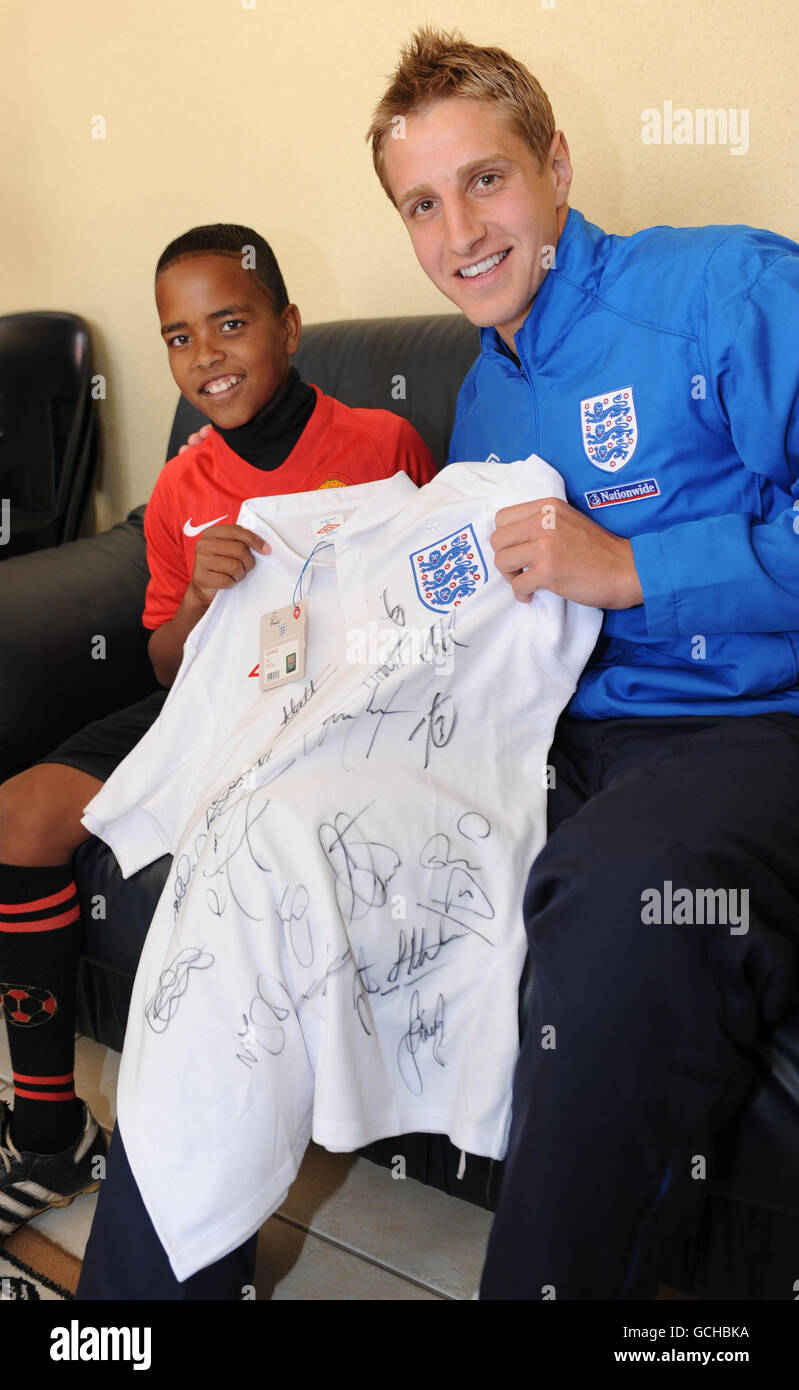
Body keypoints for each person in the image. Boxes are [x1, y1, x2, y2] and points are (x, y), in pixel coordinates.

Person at [365, 27, 799, 1299]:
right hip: (562, 739)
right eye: (422, 206)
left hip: (749, 729)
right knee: (313, 828)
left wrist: (638, 567)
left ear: (554, 166)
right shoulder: (484, 397)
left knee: (619, 897)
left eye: (486, 180)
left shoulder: (728, 289)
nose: (460, 234)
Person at [0, 222, 435, 1253]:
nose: (206, 357)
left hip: (325, 717)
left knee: (238, 854)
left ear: (287, 327)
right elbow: (161, 662)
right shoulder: (186, 486)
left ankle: (217, 1176)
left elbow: (431, 607)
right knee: (17, 817)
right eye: (179, 337)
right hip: (201, 699)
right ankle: (51, 1130)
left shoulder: (382, 444)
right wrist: (196, 603)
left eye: (230, 324)